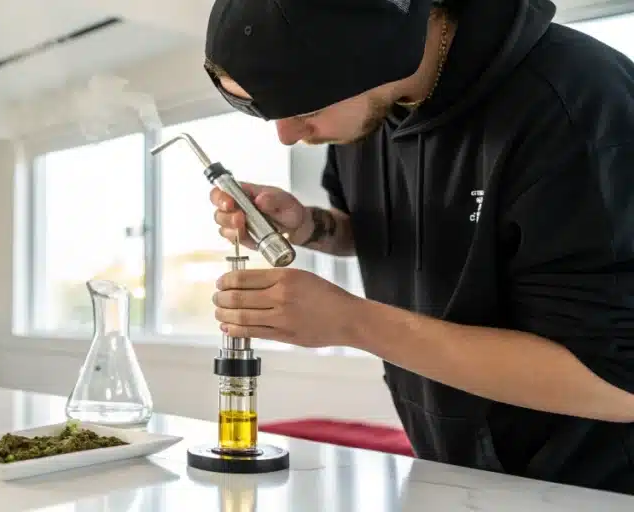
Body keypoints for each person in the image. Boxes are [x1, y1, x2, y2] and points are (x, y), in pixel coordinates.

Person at [206, 0, 634, 494]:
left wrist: (352, 322)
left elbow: (618, 381)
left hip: (592, 488)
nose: (287, 136)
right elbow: (377, 230)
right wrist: (309, 226)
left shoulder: (578, 103)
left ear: (382, 48)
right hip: (445, 469)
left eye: (305, 108)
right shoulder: (372, 103)